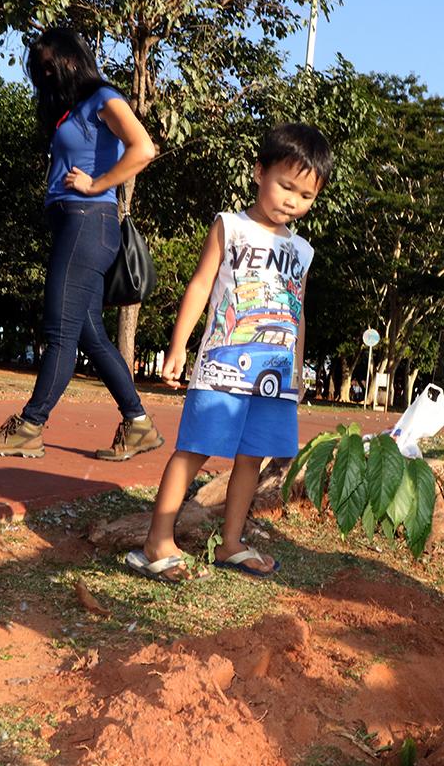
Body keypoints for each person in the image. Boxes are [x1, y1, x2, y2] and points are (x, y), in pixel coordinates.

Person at [126, 123, 333, 581]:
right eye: (285, 185)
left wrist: (297, 372)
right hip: (224, 367)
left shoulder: (303, 251)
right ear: (259, 172)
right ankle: (158, 539)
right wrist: (177, 345)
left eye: (305, 195)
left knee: (252, 459)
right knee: (194, 450)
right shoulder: (230, 225)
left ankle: (232, 542)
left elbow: (296, 312)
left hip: (275, 377)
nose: (291, 201)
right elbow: (201, 285)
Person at [0, 27, 164, 461]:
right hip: (74, 224)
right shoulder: (70, 109)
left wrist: (97, 185)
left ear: (77, 57)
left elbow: (143, 148)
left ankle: (31, 426)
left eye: (55, 62)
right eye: (42, 67)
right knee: (91, 334)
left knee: (58, 330)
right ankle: (139, 425)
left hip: (87, 222)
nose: (49, 71)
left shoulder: (102, 97)